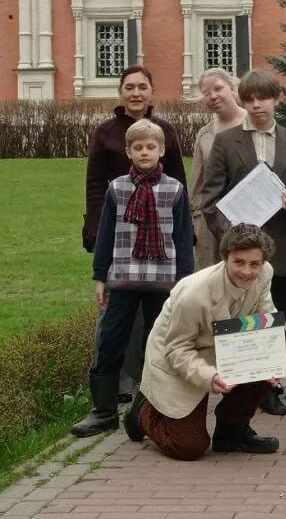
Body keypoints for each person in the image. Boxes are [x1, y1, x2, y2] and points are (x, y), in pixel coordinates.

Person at [202, 68, 286, 417]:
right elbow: (210, 199)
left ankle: (269, 388)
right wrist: (231, 242)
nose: (256, 105)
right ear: (243, 101)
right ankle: (238, 389)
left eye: (263, 98)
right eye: (249, 99)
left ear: (277, 99)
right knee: (238, 320)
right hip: (239, 253)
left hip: (279, 248)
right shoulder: (226, 141)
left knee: (272, 319)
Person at [72, 120, 196, 438]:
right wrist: (100, 276)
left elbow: (183, 239)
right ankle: (103, 411)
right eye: (138, 147)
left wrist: (185, 282)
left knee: (154, 348)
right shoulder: (117, 189)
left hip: (163, 283)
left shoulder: (174, 190)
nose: (144, 152)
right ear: (129, 151)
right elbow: (106, 237)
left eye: (150, 147)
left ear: (162, 150)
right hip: (123, 280)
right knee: (110, 342)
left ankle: (145, 411)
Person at [124, 224, 282, 460]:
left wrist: (271, 362)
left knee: (281, 352)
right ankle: (142, 412)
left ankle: (232, 431)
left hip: (224, 347)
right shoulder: (193, 295)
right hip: (176, 355)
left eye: (254, 264)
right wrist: (208, 377)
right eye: (238, 262)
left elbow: (264, 318)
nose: (247, 272)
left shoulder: (265, 273)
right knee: (189, 447)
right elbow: (176, 349)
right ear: (225, 257)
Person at [83, 64, 188, 401]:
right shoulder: (106, 133)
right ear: (121, 92)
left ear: (151, 91)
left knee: (155, 325)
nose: (136, 93)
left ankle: (150, 393)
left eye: (142, 86)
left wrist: (184, 267)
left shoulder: (165, 132)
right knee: (116, 323)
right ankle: (114, 393)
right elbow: (96, 184)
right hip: (121, 239)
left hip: (159, 244)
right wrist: (95, 229)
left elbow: (178, 184)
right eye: (129, 87)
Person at [189, 69, 247, 270]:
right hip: (210, 222)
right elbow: (197, 183)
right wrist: (197, 220)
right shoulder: (204, 135)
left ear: (231, 87)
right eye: (206, 92)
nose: (213, 96)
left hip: (249, 217)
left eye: (218, 88)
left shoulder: (255, 125)